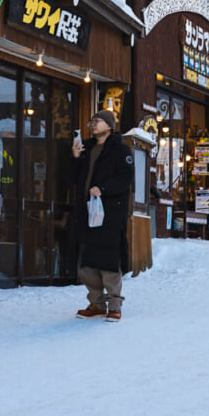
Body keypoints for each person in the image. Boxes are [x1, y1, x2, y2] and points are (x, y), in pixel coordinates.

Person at [71, 109, 133, 322]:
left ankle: (114, 305)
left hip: (110, 214)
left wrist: (103, 189)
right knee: (87, 262)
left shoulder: (120, 150)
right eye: (92, 121)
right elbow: (73, 178)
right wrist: (76, 156)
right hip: (87, 212)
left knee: (108, 259)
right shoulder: (86, 148)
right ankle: (96, 304)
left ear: (109, 126)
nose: (92, 124)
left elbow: (125, 179)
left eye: (97, 121)